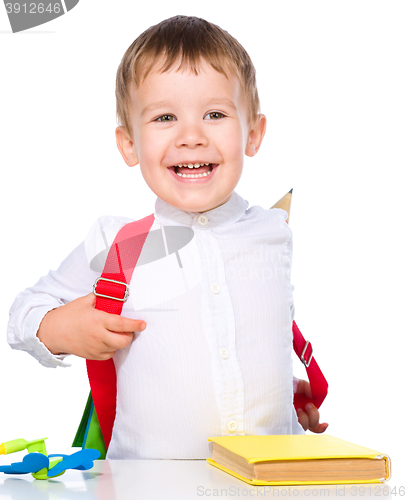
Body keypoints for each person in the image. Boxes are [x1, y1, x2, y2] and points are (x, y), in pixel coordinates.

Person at [7, 15, 328, 459]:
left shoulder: (274, 231)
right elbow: (23, 311)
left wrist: (282, 394)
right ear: (129, 145)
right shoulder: (116, 241)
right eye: (164, 117)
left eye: (215, 114)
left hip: (270, 478)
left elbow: (254, 334)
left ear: (253, 133)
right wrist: (59, 328)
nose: (191, 136)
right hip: (147, 485)